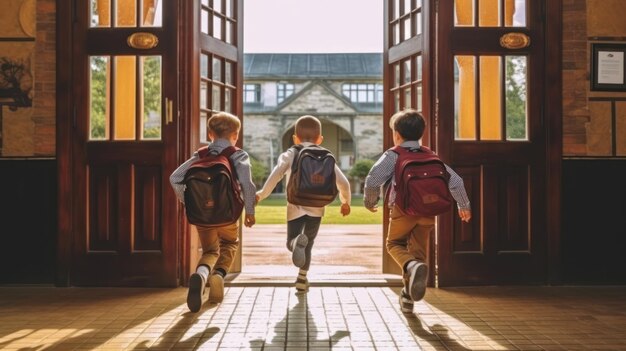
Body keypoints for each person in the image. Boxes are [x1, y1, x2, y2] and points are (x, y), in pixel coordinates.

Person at [363, 109, 471, 313]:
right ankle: (407, 298)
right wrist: (463, 205)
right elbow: (456, 180)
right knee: (418, 254)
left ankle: (411, 270)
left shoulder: (393, 155)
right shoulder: (430, 155)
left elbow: (373, 178)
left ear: (396, 134)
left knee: (394, 244)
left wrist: (370, 200)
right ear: (420, 133)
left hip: (403, 210)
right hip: (428, 212)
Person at [170, 112, 256, 312]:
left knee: (210, 251)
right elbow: (247, 185)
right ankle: (219, 274)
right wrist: (250, 211)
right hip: (227, 215)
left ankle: (200, 275)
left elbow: (175, 178)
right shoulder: (238, 155)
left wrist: (190, 202)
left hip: (203, 217)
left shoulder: (199, 156)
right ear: (235, 135)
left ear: (210, 135)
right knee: (230, 243)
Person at [256, 115, 351, 292]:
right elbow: (343, 183)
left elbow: (275, 175)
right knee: (309, 243)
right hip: (317, 208)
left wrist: (261, 194)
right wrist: (345, 202)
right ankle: (302, 279)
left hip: (295, 206)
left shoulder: (291, 153)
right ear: (320, 139)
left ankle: (294, 243)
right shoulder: (326, 155)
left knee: (292, 242)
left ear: (295, 138)